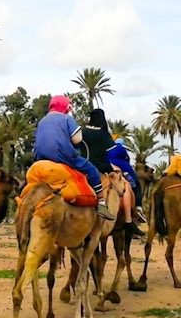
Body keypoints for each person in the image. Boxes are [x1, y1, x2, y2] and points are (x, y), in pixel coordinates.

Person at [34, 95, 115, 220]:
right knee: (91, 169)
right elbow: (77, 139)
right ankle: (101, 203)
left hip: (40, 158)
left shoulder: (42, 121)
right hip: (62, 156)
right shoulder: (67, 118)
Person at [81, 109, 145, 237]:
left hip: (82, 167)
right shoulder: (104, 135)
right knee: (126, 187)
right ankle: (128, 220)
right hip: (101, 169)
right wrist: (113, 170)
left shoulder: (82, 132)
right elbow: (108, 155)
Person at [108, 137, 146, 224]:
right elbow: (126, 159)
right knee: (137, 185)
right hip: (123, 169)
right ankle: (138, 208)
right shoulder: (120, 148)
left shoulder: (108, 149)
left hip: (109, 168)